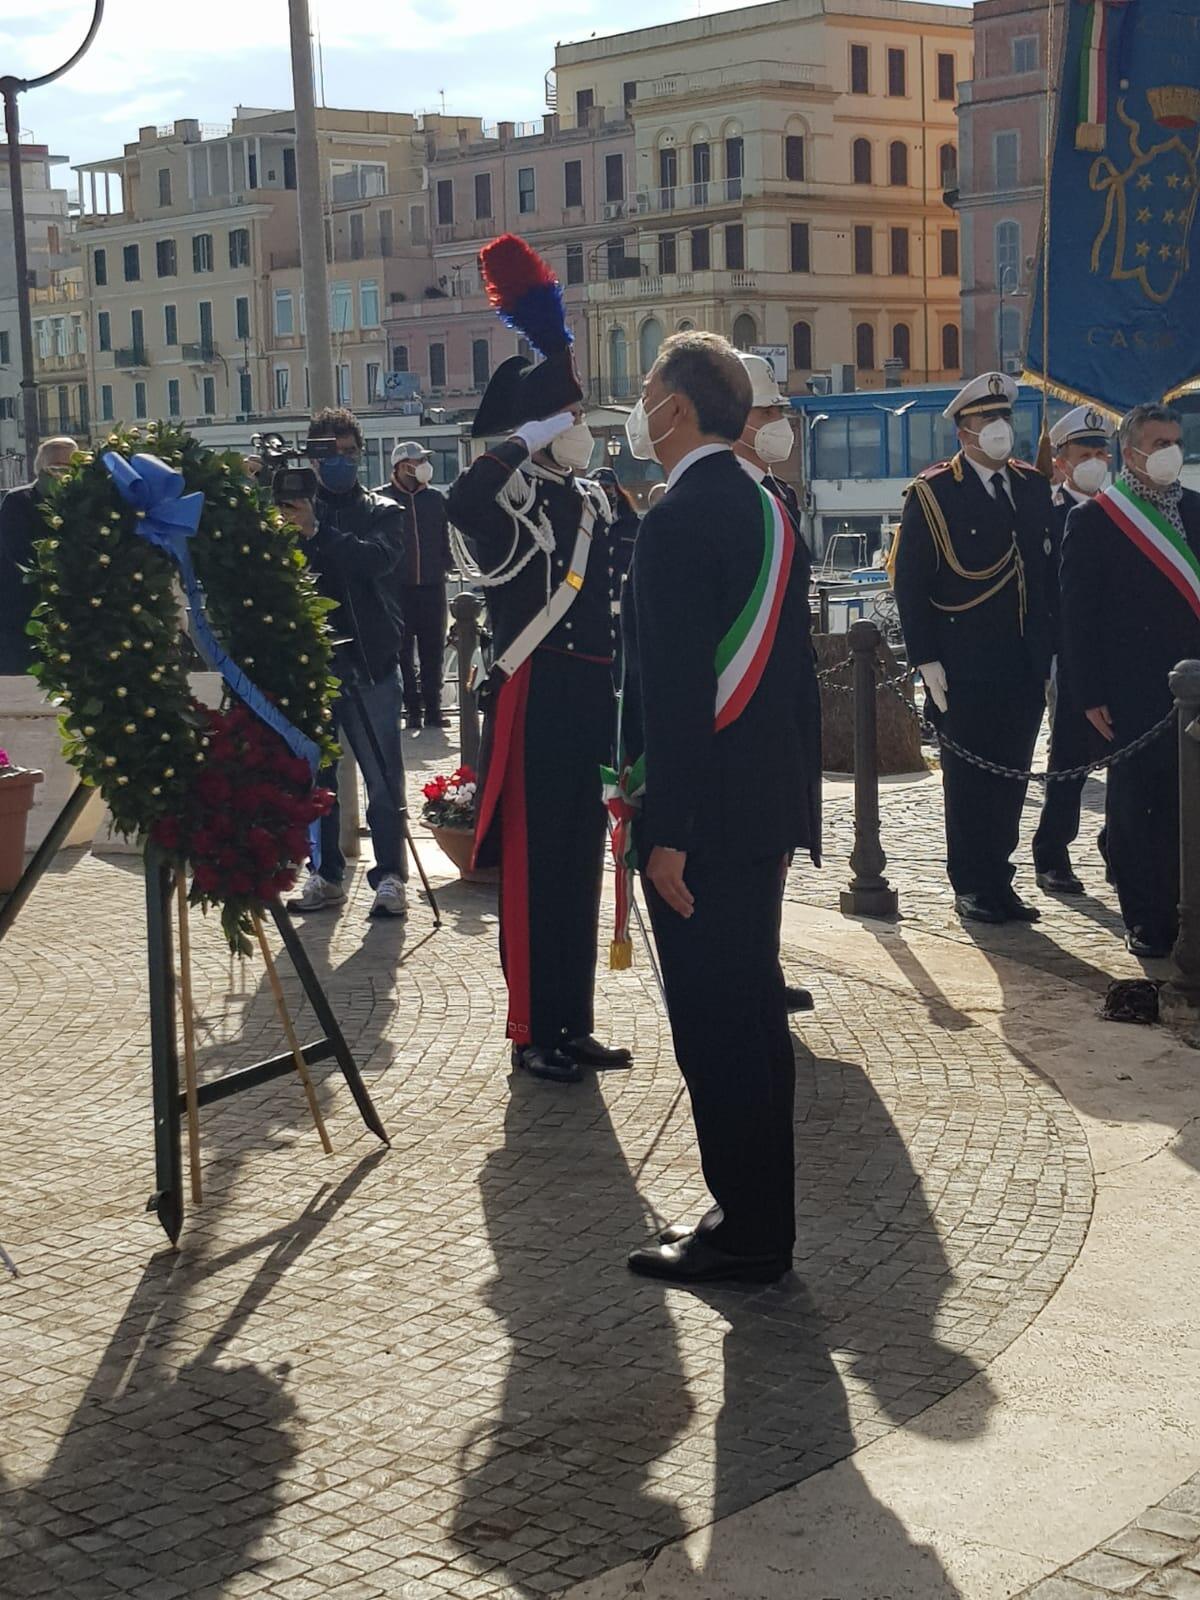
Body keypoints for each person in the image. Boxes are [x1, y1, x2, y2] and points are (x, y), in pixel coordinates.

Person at [622, 330, 820, 1285]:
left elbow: (675, 697)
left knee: (716, 1026)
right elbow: (791, 686)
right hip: (762, 816)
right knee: (753, 1019)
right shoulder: (771, 508)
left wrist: (667, 835)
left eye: (648, 388)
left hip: (699, 830)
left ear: (681, 407)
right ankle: (761, 1216)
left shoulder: (674, 520)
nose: (638, 405)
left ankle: (745, 1233)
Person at [447, 233, 628, 1085]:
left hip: (590, 693)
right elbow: (466, 500)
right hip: (533, 690)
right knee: (533, 868)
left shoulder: (589, 497)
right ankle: (531, 1031)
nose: (581, 431)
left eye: (578, 418)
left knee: (579, 864)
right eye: (570, 419)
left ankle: (573, 1019)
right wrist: (524, 440)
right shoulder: (512, 490)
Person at [892, 371, 1053, 925]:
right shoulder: (935, 494)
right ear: (964, 431)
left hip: (1023, 662)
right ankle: (972, 884)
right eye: (989, 420)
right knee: (969, 784)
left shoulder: (1032, 487)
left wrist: (1052, 650)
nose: (1001, 428)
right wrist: (925, 656)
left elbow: (1046, 574)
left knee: (1011, 777)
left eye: (1005, 417)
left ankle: (999, 878)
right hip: (963, 665)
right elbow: (910, 581)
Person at [1060, 402, 1200, 958]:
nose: (1169, 451)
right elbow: (1078, 615)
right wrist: (1088, 692)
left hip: (1196, 685)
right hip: (1133, 689)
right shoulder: (1096, 518)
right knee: (1139, 810)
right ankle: (1147, 918)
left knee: (1191, 806)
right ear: (1130, 451)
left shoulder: (1196, 509)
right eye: (1158, 442)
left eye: (1175, 441)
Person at [283, 406, 410, 920]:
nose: (340, 461)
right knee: (319, 778)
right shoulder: (290, 515)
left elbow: (375, 560)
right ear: (312, 459)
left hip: (370, 659)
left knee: (383, 779)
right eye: (328, 453)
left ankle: (391, 877)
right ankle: (326, 873)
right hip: (313, 667)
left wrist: (318, 533)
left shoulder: (383, 509)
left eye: (349, 452)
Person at [732, 351, 822, 1016]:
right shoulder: (726, 497)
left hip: (789, 690)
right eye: (769, 412)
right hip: (747, 700)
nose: (779, 423)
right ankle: (748, 968)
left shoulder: (778, 493)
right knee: (752, 846)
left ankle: (764, 960)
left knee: (781, 840)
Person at [1031, 405, 1115, 895]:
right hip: (1068, 652)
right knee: (1070, 758)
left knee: (1131, 755)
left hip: (1121, 651)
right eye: (1086, 453)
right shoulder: (1047, 513)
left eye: (1102, 452)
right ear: (1061, 461)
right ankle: (1053, 852)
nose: (1097, 461)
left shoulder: (1123, 512)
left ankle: (1118, 841)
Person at [376, 441, 454, 731]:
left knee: (434, 649)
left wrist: (445, 563)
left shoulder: (435, 499)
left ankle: (434, 710)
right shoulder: (381, 500)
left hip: (433, 585)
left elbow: (445, 537)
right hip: (398, 589)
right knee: (402, 652)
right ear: (402, 466)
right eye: (419, 460)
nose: (424, 465)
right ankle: (412, 710)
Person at [0, 437, 76, 674]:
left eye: (69, 466)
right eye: (55, 465)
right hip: (22, 614)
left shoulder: (82, 502)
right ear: (41, 468)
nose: (61, 472)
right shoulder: (18, 501)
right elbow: (17, 553)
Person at [593, 466, 641, 583]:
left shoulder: (635, 525)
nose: (602, 493)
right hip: (593, 594)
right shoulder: (583, 524)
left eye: (607, 487)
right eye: (598, 488)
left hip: (623, 592)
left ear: (617, 492)